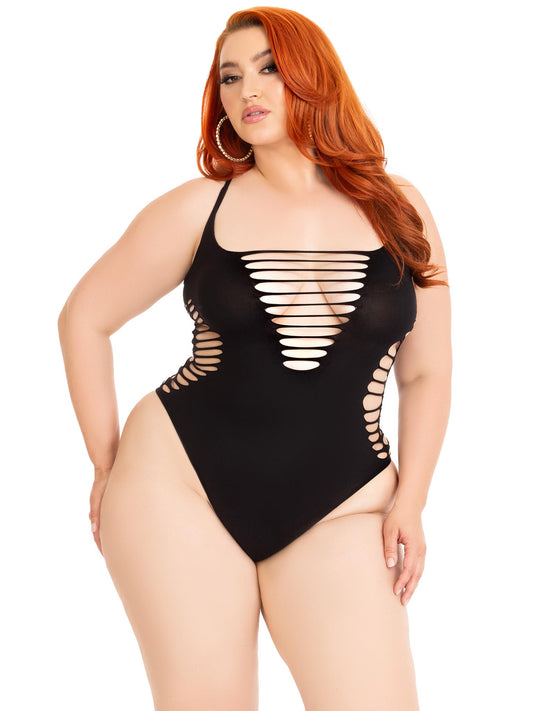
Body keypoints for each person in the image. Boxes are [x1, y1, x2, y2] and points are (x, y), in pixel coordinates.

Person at [57, 7, 451, 711]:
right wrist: (104, 463)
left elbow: (425, 371)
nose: (248, 90)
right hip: (179, 488)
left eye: (269, 68)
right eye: (230, 77)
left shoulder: (402, 210)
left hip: (344, 503)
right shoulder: (198, 208)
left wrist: (413, 499)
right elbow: (83, 318)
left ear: (315, 78)